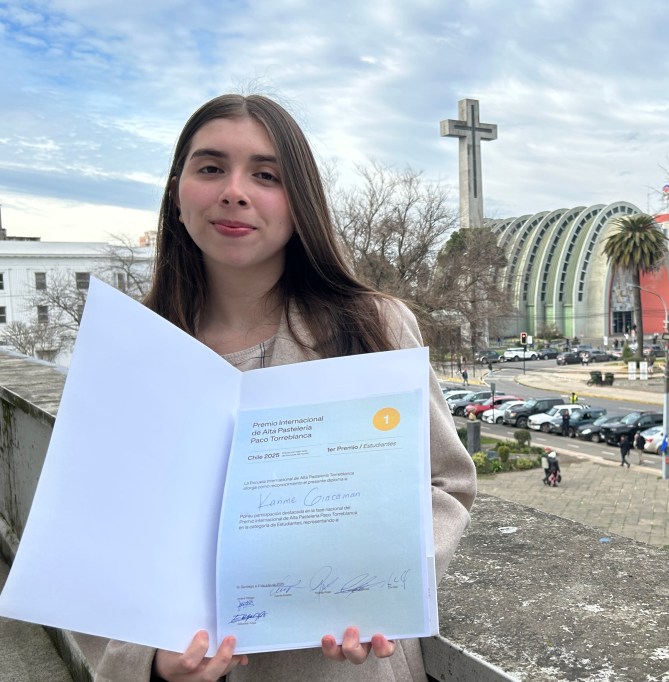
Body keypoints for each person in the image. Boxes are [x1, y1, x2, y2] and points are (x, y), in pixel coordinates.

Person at [96, 94, 477, 681]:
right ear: (178, 193)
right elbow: (95, 543)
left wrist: (384, 591)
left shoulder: (372, 324)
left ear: (300, 202)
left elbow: (444, 483)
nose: (235, 191)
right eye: (211, 167)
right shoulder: (132, 356)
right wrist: (146, 661)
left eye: (266, 175)